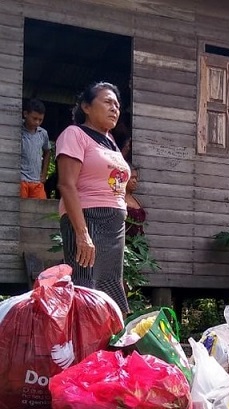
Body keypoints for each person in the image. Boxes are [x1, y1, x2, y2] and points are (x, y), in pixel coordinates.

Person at [57, 82, 131, 315]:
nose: (115, 109)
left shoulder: (111, 144)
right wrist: (82, 233)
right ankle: (83, 348)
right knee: (86, 286)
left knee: (110, 285)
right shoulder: (75, 134)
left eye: (117, 105)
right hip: (88, 219)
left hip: (113, 224)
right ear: (86, 107)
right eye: (108, 102)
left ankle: (107, 349)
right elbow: (66, 185)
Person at [20, 99, 51, 199]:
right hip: (20, 179)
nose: (37, 122)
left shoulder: (43, 133)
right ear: (25, 114)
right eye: (34, 118)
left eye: (40, 119)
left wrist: (44, 174)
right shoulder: (16, 129)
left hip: (37, 181)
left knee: (41, 211)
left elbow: (47, 151)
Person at [125, 167, 146, 238]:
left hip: (138, 243)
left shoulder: (136, 200)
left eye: (136, 178)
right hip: (125, 243)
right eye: (132, 177)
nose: (135, 181)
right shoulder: (119, 199)